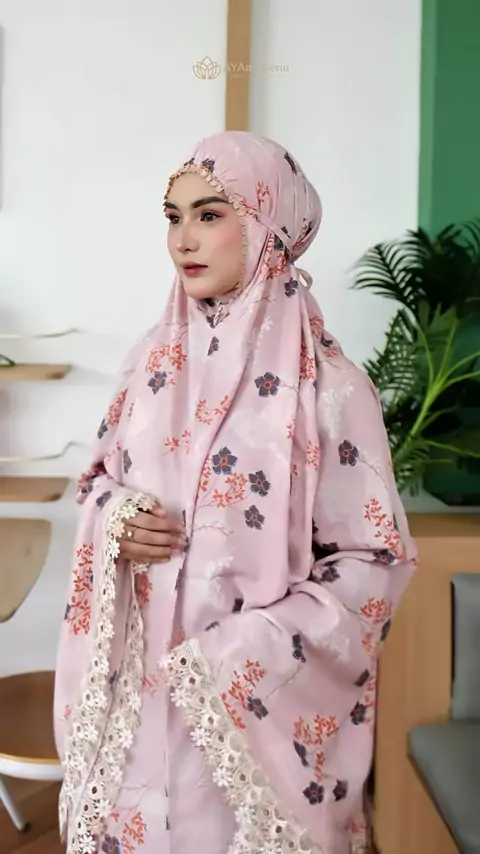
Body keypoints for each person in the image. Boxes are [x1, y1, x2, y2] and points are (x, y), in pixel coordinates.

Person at [54, 131, 417, 854]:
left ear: (266, 224)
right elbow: (96, 481)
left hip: (243, 729)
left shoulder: (332, 390)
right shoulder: (148, 364)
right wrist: (115, 519)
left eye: (210, 214)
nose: (183, 239)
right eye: (173, 216)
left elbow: (373, 565)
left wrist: (238, 656)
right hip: (137, 707)